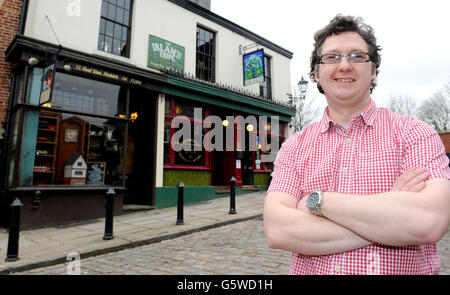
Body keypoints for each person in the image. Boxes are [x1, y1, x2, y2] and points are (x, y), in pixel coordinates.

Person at [264, 15, 450, 275]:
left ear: (373, 71)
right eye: (332, 57)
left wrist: (318, 203)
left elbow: (429, 222)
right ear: (316, 73)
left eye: (357, 56)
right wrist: (390, 217)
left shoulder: (414, 133)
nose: (344, 65)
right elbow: (278, 230)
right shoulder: (294, 147)